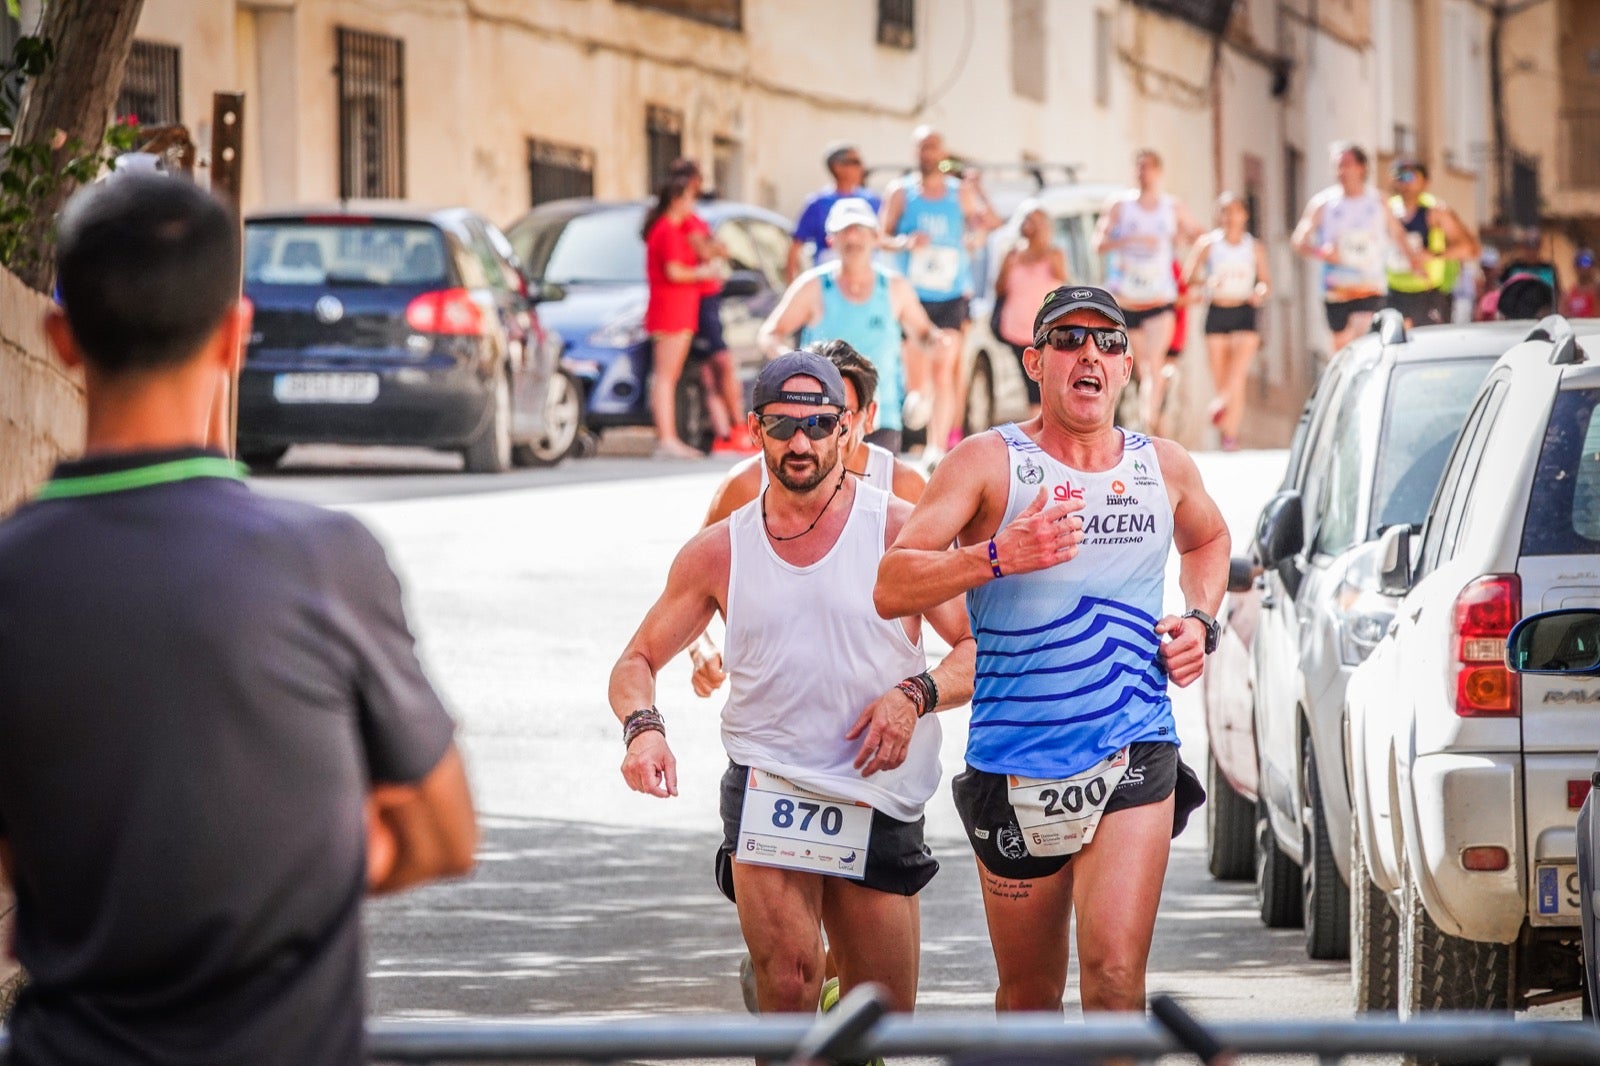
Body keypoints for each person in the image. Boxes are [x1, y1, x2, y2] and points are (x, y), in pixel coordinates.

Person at [0, 175, 477, 1065]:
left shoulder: (12, 575)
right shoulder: (326, 559)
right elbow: (443, 836)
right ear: (235, 332)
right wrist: (297, 873)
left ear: (61, 337)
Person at [874, 283, 1227, 1016]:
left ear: (1126, 367)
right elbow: (892, 583)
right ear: (1035, 361)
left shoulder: (1162, 466)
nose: (1088, 354)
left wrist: (1199, 621)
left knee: (1115, 976)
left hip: (1132, 747)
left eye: (1108, 342)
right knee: (1031, 995)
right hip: (1014, 759)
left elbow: (1210, 538)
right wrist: (995, 556)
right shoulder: (985, 461)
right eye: (1068, 340)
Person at [609, 350, 976, 1018]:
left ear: (846, 428)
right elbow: (637, 659)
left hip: (875, 789)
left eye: (817, 424)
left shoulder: (898, 529)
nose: (800, 443)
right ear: (755, 430)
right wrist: (643, 731)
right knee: (787, 986)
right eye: (781, 426)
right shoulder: (719, 549)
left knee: (879, 1016)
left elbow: (977, 649)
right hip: (769, 782)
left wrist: (914, 697)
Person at [689, 339, 929, 699]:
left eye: (825, 421)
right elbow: (691, 584)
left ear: (864, 417)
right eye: (792, 422)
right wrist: (702, 648)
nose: (806, 438)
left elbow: (958, 613)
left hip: (883, 713)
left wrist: (916, 695)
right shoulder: (747, 484)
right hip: (772, 715)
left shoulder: (902, 489)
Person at [759, 196, 952, 455]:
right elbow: (769, 334)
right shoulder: (814, 286)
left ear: (875, 237)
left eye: (860, 229)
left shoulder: (893, 287)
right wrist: (794, 365)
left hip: (879, 417)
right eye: (845, 231)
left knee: (877, 482)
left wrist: (938, 342)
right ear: (831, 239)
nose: (852, 238)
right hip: (821, 418)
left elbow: (923, 334)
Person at [881, 125, 1002, 464]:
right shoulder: (901, 193)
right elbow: (880, 236)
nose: (929, 153)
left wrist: (978, 201)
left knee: (944, 368)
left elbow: (989, 224)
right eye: (923, 146)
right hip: (913, 297)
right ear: (915, 152)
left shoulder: (959, 193)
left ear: (943, 152)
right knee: (918, 381)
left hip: (950, 295)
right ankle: (919, 403)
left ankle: (936, 448)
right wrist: (905, 242)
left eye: (934, 146)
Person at [1091, 150, 1203, 438]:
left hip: (1160, 299)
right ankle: (1151, 416)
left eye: (1149, 168)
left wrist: (1191, 272)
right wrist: (1128, 239)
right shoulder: (1120, 206)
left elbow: (1202, 238)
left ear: (1159, 172)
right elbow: (1098, 243)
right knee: (1141, 368)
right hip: (1127, 299)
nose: (1144, 173)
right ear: (1134, 171)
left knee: (1153, 365)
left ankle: (1147, 423)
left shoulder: (1172, 207)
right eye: (1139, 167)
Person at [1292, 141, 1424, 354]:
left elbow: (1398, 234)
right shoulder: (1323, 203)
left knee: (1366, 342)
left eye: (1346, 164)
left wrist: (1415, 262)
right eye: (1337, 165)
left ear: (1362, 167)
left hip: (1370, 285)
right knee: (1342, 350)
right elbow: (1298, 241)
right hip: (1336, 289)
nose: (1341, 170)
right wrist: (1322, 252)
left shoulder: (1379, 201)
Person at [671, 157, 756, 455]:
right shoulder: (685, 220)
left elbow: (719, 249)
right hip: (700, 301)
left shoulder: (694, 217)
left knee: (712, 372)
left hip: (704, 299)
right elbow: (708, 250)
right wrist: (712, 250)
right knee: (722, 364)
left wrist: (714, 249)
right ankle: (736, 427)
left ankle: (727, 431)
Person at [1183, 193, 1271, 451]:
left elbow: (1265, 282)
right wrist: (1208, 282)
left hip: (1244, 311)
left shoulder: (1253, 247)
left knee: (1237, 374)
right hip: (1217, 312)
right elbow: (1188, 277)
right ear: (1218, 215)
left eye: (1235, 211)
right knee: (1221, 378)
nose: (1230, 217)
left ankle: (1226, 420)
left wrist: (1260, 293)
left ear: (1244, 215)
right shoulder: (1208, 245)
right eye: (1224, 211)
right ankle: (1228, 431)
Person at [643, 173, 720, 458]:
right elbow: (674, 271)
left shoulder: (676, 229)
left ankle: (669, 437)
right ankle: (667, 438)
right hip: (670, 310)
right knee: (665, 376)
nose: (692, 205)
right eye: (688, 199)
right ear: (676, 200)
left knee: (669, 376)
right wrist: (702, 272)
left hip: (679, 309)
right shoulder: (666, 229)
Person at [995, 202, 1069, 419]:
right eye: (1026, 220)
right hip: (1016, 329)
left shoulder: (1054, 254)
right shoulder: (1012, 255)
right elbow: (999, 288)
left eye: (1034, 221)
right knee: (1031, 380)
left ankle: (1047, 420)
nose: (1029, 226)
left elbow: (1063, 281)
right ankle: (1038, 422)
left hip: (1046, 329)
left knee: (1048, 378)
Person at [1384, 158, 1480, 327]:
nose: (1404, 182)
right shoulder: (1386, 209)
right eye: (1398, 176)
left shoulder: (1436, 211)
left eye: (1410, 176)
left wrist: (1433, 256)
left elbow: (1470, 249)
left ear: (1425, 181)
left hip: (1428, 293)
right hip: (1392, 293)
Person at [788, 142, 883, 282]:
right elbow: (796, 246)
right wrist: (793, 284)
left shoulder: (872, 201)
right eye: (855, 162)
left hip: (866, 279)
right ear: (837, 167)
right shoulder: (818, 203)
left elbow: (882, 238)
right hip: (829, 280)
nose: (862, 167)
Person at [1563, 248, 1598, 319]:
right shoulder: (1569, 294)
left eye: (1587, 262)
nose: (1584, 268)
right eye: (1579, 263)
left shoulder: (1597, 290)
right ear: (1575, 267)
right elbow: (1564, 314)